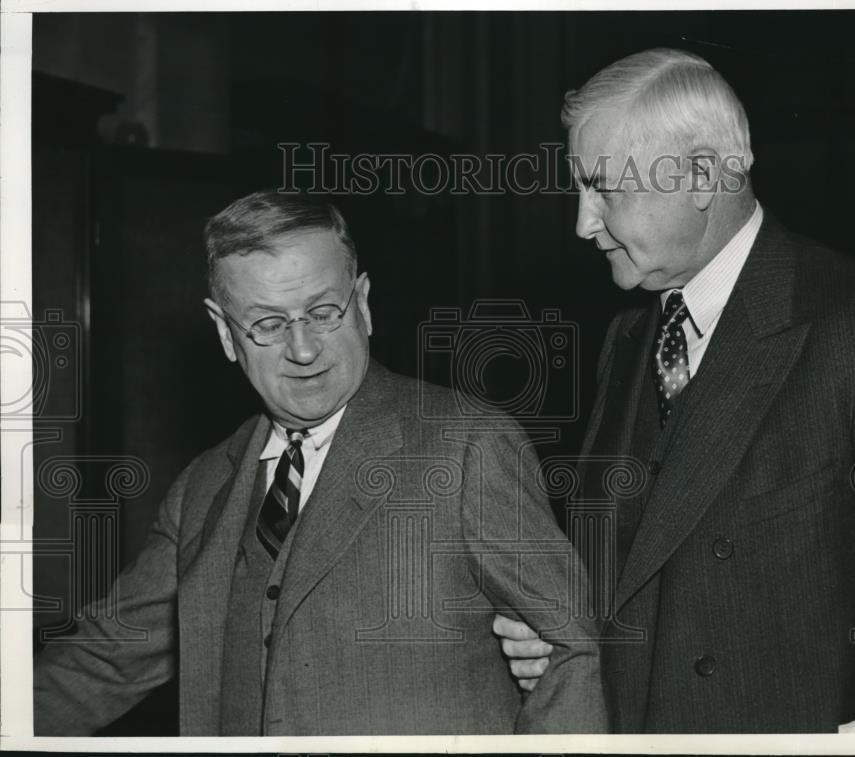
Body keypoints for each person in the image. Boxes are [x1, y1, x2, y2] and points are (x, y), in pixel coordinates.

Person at [494, 48, 855, 733]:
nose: (582, 222)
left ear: (699, 176)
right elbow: (631, 572)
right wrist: (560, 631)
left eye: (605, 187)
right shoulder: (628, 341)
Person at [34, 190, 607, 736]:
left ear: (361, 302)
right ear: (225, 333)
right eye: (268, 323)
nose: (303, 350)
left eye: (324, 312)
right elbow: (106, 658)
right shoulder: (203, 487)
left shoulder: (467, 445)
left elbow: (570, 652)